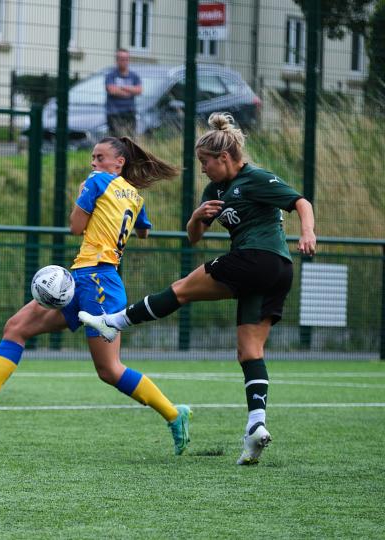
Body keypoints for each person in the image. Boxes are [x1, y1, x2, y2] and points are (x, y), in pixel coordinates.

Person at [80, 112, 317, 465]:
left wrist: (309, 231)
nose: (203, 169)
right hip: (275, 273)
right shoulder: (214, 191)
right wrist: (196, 217)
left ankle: (114, 322)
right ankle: (256, 428)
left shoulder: (255, 178)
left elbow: (300, 202)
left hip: (259, 259)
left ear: (224, 157)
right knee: (249, 351)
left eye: (206, 162)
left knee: (181, 289)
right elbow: (194, 238)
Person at [0, 136, 193, 456]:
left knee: (109, 370)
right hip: (83, 278)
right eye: (92, 158)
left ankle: (175, 414)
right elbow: (144, 231)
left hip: (99, 282)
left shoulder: (96, 182)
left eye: (100, 157)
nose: (94, 163)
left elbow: (76, 227)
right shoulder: (134, 195)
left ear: (119, 163)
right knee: (17, 327)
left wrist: (82, 197)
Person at [105, 48, 142, 137]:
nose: (124, 61)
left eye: (126, 59)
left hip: (130, 112)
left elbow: (139, 90)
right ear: (117, 60)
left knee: (130, 141)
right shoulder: (110, 75)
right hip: (113, 113)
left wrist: (121, 88)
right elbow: (111, 90)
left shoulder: (134, 76)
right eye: (121, 59)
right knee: (115, 141)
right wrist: (130, 90)